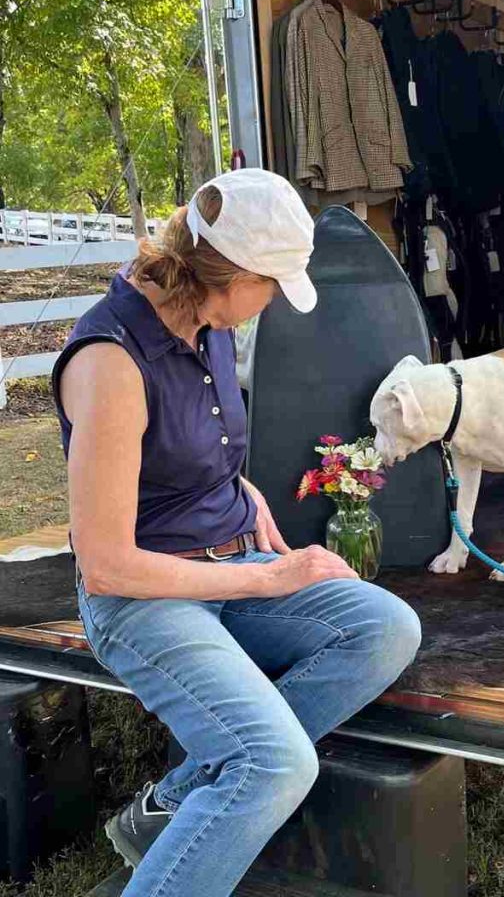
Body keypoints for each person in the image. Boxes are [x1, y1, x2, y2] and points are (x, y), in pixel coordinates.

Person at [52, 169, 422, 897]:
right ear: (229, 275)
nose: (276, 302)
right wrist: (263, 577)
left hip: (231, 558)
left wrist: (240, 490)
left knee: (386, 629)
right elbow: (105, 565)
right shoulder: (112, 361)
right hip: (145, 596)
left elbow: (189, 446)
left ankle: (169, 804)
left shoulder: (207, 320)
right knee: (275, 763)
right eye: (273, 285)